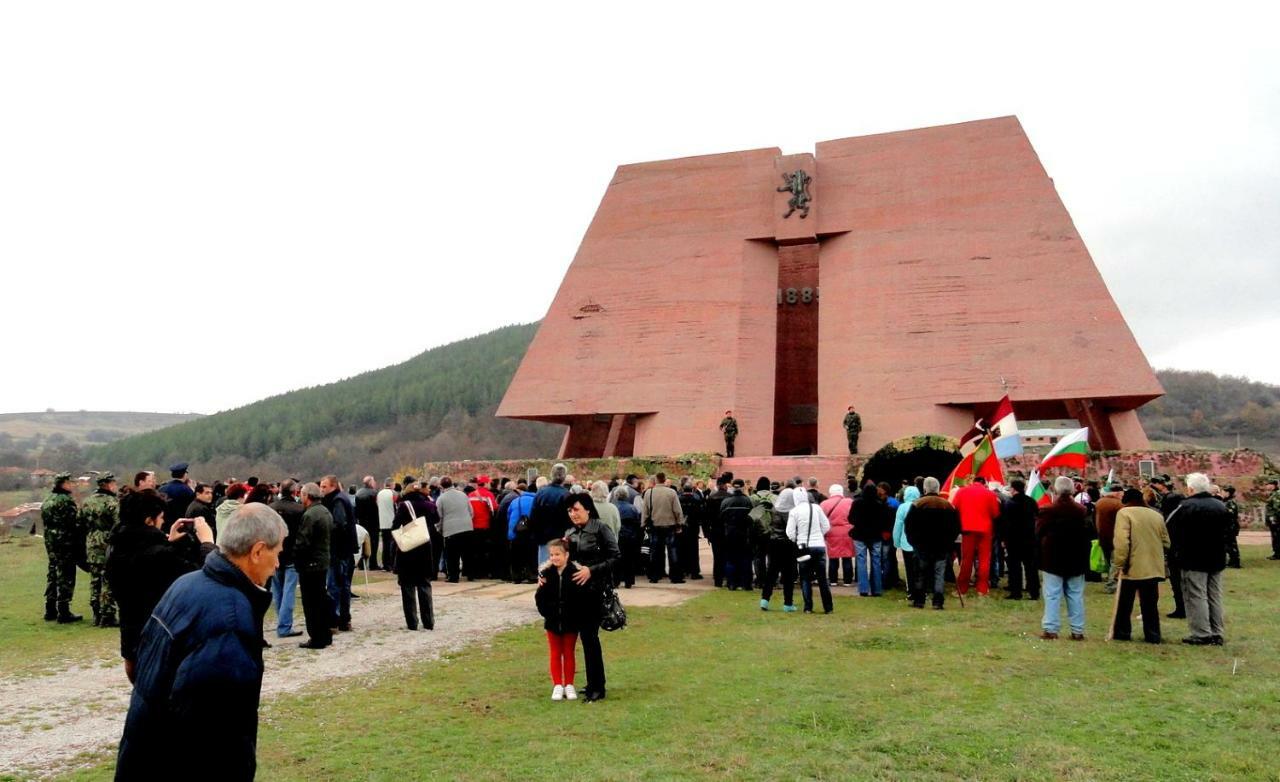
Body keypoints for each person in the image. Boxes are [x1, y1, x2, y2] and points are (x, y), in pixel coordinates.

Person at [114, 503, 287, 780]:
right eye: (277, 553)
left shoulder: (187, 584)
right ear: (257, 552)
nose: (278, 564)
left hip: (143, 752)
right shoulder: (229, 621)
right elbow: (214, 732)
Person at [106, 488, 215, 681]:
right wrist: (207, 543)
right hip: (164, 642)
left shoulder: (116, 548)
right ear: (149, 521)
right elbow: (202, 577)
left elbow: (149, 573)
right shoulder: (158, 556)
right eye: (161, 518)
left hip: (132, 641)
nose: (163, 522)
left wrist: (170, 543)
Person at [561, 494, 620, 702]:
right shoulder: (569, 533)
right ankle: (592, 682)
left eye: (576, 509)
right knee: (583, 639)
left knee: (590, 638)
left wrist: (591, 571)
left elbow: (615, 556)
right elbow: (563, 561)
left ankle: (598, 686)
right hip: (575, 593)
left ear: (587, 509)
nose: (572, 514)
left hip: (594, 591)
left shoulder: (600, 529)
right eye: (569, 511)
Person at [1172, 473, 1232, 645]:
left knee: (1196, 595)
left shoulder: (1185, 506)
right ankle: (1217, 631)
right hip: (1217, 557)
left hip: (1193, 558)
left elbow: (1173, 530)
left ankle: (1201, 632)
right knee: (1214, 595)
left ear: (1190, 489)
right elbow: (1230, 530)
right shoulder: (1220, 506)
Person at [1109, 488, 1170, 644]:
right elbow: (1166, 542)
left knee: (1125, 603)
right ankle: (1153, 635)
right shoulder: (1157, 515)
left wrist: (1119, 565)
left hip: (1132, 566)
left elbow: (1122, 542)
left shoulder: (1124, 513)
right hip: (1153, 567)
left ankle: (1122, 633)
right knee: (1150, 604)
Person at [1036, 476, 1091, 640]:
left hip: (1053, 557)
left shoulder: (1048, 510)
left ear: (1056, 490)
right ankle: (1077, 631)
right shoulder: (1081, 510)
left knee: (1052, 595)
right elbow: (1088, 532)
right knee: (1075, 595)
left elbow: (1039, 532)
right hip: (1076, 557)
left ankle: (1051, 629)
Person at [535, 538, 589, 701]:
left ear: (566, 555)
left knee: (569, 652)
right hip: (552, 621)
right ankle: (557, 684)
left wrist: (577, 615)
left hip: (571, 621)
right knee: (555, 653)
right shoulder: (546, 574)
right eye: (551, 555)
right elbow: (540, 598)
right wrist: (547, 613)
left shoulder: (575, 573)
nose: (554, 558)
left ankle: (570, 684)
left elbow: (582, 597)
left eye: (557, 554)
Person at [903, 477, 960, 609]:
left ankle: (919, 601)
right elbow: (955, 527)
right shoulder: (948, 505)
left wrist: (914, 542)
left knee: (921, 573)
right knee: (939, 574)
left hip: (922, 545)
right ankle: (938, 601)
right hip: (941, 546)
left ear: (925, 488)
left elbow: (909, 526)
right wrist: (949, 543)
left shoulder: (918, 504)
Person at [392, 481, 438, 631]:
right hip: (425, 546)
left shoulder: (404, 506)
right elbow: (436, 519)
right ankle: (428, 621)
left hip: (408, 548)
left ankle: (412, 622)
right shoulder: (430, 504)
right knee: (424, 584)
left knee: (407, 586)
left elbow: (395, 525)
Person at [40, 471, 83, 623]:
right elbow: (74, 523)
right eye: (70, 482)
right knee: (66, 574)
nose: (71, 485)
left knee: (52, 574)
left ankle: (50, 609)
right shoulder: (66, 501)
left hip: (50, 543)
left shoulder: (48, 500)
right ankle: (64, 611)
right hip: (65, 543)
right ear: (64, 484)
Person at [295, 483, 333, 649]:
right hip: (322, 560)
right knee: (321, 600)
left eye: (302, 495)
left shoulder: (310, 515)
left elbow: (303, 542)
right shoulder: (325, 511)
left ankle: (316, 637)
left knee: (311, 603)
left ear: (307, 496)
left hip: (310, 564)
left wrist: (296, 558)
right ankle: (325, 634)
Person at [81, 472, 120, 627]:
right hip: (107, 543)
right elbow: (118, 524)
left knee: (95, 579)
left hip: (91, 542)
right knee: (108, 578)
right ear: (108, 484)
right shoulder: (112, 502)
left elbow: (80, 522)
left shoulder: (87, 502)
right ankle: (108, 614)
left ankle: (96, 613)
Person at [267, 480, 304, 639]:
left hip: (275, 553)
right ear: (295, 491)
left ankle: (281, 621)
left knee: (277, 591)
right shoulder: (300, 509)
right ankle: (284, 625)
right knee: (289, 591)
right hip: (292, 554)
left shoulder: (271, 509)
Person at [953, 477, 1001, 598]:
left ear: (973, 482)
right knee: (984, 559)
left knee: (966, 559)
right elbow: (995, 513)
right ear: (984, 483)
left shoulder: (962, 491)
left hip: (968, 528)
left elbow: (955, 508)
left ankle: (962, 589)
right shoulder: (990, 494)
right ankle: (982, 589)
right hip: (985, 530)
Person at [787, 487, 832, 613]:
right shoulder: (816, 508)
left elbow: (790, 532)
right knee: (822, 578)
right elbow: (826, 526)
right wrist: (819, 535)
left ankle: (808, 607)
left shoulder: (794, 511)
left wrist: (798, 539)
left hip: (804, 546)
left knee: (805, 578)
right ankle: (828, 607)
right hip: (819, 545)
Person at [320, 475, 356, 631]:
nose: (322, 489)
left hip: (339, 549)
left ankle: (335, 619)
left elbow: (339, 523)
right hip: (343, 548)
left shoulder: (337, 500)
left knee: (335, 585)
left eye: (324, 486)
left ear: (333, 486)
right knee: (343, 584)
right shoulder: (339, 498)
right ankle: (343, 619)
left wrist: (325, 531)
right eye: (321, 486)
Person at [999, 479, 1040, 600]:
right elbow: (1037, 517)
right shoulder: (1031, 501)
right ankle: (1034, 591)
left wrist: (1003, 538)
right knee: (1031, 567)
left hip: (1014, 539)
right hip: (1029, 537)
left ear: (1013, 489)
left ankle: (1016, 591)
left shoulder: (1009, 503)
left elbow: (1005, 523)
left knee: (1014, 566)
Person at [640, 472, 685, 583]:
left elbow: (645, 511)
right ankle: (675, 576)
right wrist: (680, 523)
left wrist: (643, 524)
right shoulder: (671, 492)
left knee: (655, 551)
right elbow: (677, 510)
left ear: (656, 480)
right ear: (665, 480)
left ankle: (655, 575)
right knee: (672, 551)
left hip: (655, 525)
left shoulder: (648, 493)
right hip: (670, 525)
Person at [717, 478, 754, 591]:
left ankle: (732, 583)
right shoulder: (748, 501)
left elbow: (721, 518)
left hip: (730, 533)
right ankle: (746, 584)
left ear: (732, 487)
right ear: (743, 487)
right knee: (746, 559)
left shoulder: (726, 502)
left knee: (731, 559)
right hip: (744, 533)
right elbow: (752, 518)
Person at [849, 483, 886, 596]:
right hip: (875, 535)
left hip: (860, 535)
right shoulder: (879, 504)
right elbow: (883, 521)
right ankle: (877, 589)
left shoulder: (857, 503)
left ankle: (863, 589)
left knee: (861, 561)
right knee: (876, 561)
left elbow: (851, 519)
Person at [437, 476, 475, 582]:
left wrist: (439, 529)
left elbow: (439, 516)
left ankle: (453, 576)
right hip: (467, 527)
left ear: (441, 486)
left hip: (451, 530)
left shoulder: (441, 498)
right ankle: (470, 574)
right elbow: (471, 511)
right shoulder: (463, 495)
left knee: (452, 555)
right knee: (467, 553)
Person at [531, 464, 571, 565]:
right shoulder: (566, 494)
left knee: (544, 569)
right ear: (564, 477)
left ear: (551, 475)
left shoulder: (540, 493)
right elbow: (570, 518)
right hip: (560, 537)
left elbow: (533, 516)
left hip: (543, 537)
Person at [609, 484, 643, 588]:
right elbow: (637, 523)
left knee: (617, 559)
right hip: (630, 536)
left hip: (618, 536)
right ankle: (629, 581)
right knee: (629, 559)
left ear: (616, 495)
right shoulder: (632, 508)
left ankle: (616, 581)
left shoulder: (613, 507)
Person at [820, 485, 854, 587]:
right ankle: (847, 581)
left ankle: (833, 580)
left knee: (833, 557)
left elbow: (821, 520)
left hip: (831, 532)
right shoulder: (849, 502)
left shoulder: (824, 504)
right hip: (847, 532)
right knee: (847, 557)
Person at [1093, 482, 1124, 594]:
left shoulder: (1099, 502)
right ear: (1117, 492)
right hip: (1114, 536)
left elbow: (1094, 519)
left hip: (1102, 536)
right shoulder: (1118, 504)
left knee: (1109, 561)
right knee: (1115, 562)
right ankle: (1111, 584)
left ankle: (1111, 580)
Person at [892, 486, 921, 604]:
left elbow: (898, 526)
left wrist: (896, 541)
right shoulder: (921, 505)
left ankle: (911, 593)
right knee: (920, 569)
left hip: (906, 542)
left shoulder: (902, 507)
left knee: (909, 569)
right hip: (920, 543)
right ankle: (921, 591)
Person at [508, 479, 540, 584]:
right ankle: (532, 575)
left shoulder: (515, 501)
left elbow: (508, 515)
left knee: (516, 555)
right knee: (531, 555)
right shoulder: (535, 500)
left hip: (516, 532)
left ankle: (517, 576)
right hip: (531, 533)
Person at [677, 480, 705, 580]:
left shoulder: (678, 499)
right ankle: (694, 572)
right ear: (692, 489)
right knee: (693, 550)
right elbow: (701, 513)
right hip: (693, 527)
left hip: (682, 527)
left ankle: (682, 570)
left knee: (681, 550)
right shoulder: (696, 499)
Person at [157, 462, 195, 531]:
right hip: (181, 526)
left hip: (164, 525)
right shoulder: (187, 490)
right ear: (185, 474)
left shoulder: (161, 489)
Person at [354, 476, 381, 571]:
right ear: (370, 483)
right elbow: (377, 508)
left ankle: (362, 563)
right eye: (374, 481)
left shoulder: (358, 493)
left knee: (362, 543)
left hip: (362, 521)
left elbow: (356, 509)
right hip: (373, 521)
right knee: (374, 543)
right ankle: (373, 563)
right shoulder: (374, 493)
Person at [376, 478, 397, 572]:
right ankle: (392, 563)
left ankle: (385, 564)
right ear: (392, 484)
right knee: (393, 544)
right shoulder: (393, 493)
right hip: (392, 522)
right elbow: (396, 506)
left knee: (385, 544)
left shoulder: (379, 494)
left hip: (382, 522)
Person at [1221, 486, 1241, 569]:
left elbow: (1229, 515)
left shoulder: (1230, 503)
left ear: (1228, 493)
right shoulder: (1226, 502)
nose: (1222, 493)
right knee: (1228, 545)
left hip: (1230, 527)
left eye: (1223, 492)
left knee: (1231, 545)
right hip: (1227, 527)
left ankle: (1235, 562)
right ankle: (1231, 561)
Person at [1264, 477, 1280, 560]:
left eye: (1268, 484)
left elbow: (1277, 508)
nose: (1267, 486)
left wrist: (1275, 519)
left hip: (1276, 520)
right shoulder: (1273, 493)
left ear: (1273, 485)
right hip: (1273, 519)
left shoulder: (1277, 494)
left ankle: (1277, 554)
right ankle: (1277, 552)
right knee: (1275, 536)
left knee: (1276, 536)